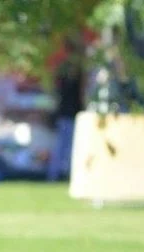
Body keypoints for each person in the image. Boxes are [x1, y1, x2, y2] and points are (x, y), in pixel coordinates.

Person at [47, 39, 86, 182]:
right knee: (65, 145)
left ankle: (59, 173)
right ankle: (59, 173)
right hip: (69, 112)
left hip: (68, 111)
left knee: (65, 145)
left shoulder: (66, 69)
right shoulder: (72, 69)